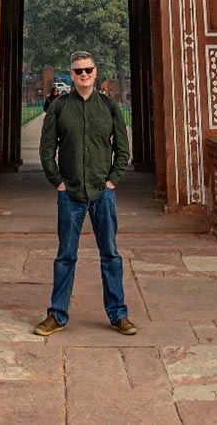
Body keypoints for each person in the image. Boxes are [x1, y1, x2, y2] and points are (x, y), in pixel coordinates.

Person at [33, 50, 135, 336]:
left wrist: (113, 181)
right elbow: (46, 149)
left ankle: (118, 314)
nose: (84, 75)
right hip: (71, 193)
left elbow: (122, 149)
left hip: (103, 193)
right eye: (78, 71)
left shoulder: (109, 106)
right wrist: (58, 182)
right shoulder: (60, 107)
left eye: (88, 70)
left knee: (110, 254)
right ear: (72, 73)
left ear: (95, 72)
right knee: (66, 255)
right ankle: (57, 314)